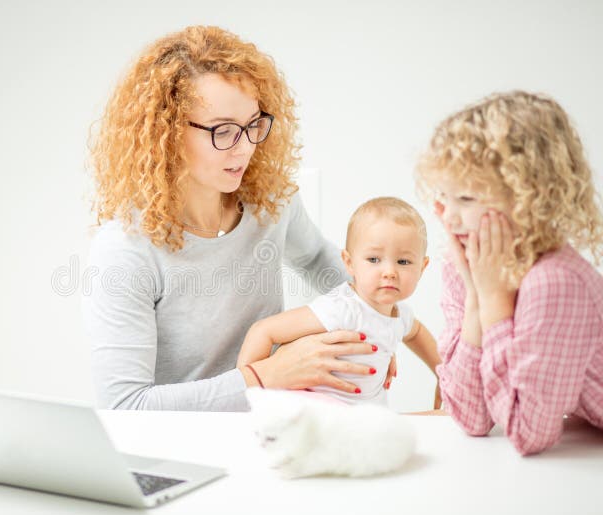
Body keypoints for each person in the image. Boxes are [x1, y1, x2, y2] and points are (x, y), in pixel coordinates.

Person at [83, 25, 381, 411]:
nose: (244, 149)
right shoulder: (125, 249)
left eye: (253, 125)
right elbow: (125, 406)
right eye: (223, 131)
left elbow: (314, 259)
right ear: (167, 132)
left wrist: (373, 322)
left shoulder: (270, 201)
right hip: (179, 449)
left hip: (274, 425)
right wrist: (265, 377)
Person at [417, 90, 603, 454]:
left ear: (530, 198)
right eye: (445, 197)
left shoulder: (556, 280)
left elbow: (529, 433)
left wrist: (494, 303)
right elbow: (471, 419)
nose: (449, 217)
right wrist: (475, 301)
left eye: (467, 199)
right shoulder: (467, 267)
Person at [237, 197, 442, 407]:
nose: (389, 272)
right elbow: (263, 330)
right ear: (349, 263)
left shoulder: (401, 315)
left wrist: (443, 373)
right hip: (318, 411)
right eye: (374, 259)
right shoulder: (342, 307)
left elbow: (416, 333)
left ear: (422, 267)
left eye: (403, 262)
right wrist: (246, 397)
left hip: (366, 413)